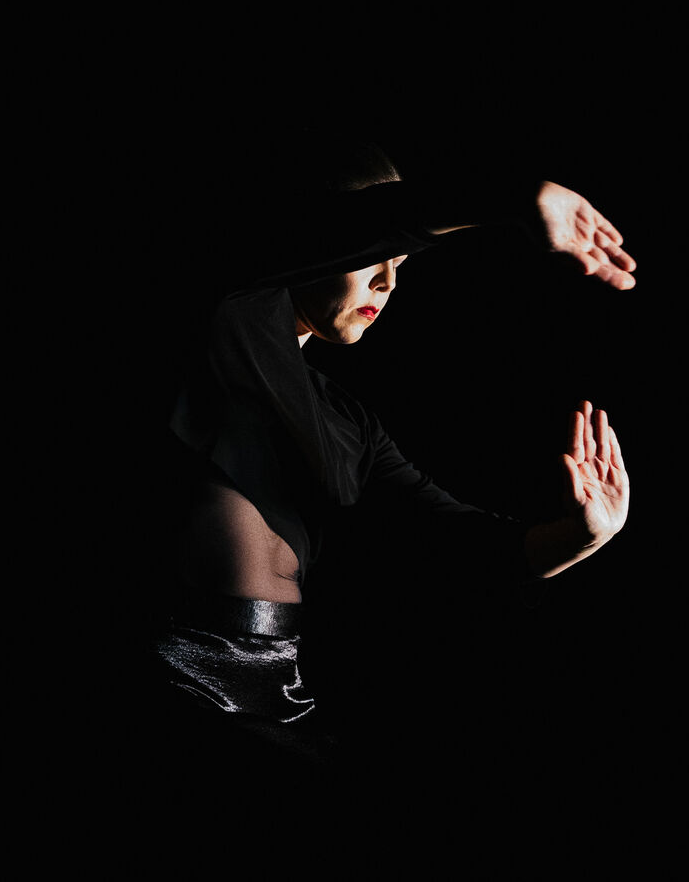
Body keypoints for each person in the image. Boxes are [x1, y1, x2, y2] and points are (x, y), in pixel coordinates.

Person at [142, 133, 636, 789]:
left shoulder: (348, 420)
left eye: (399, 262)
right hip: (174, 681)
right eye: (370, 255)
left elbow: (449, 541)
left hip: (274, 694)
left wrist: (579, 536)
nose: (387, 280)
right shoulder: (222, 307)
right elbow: (332, 229)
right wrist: (511, 201)